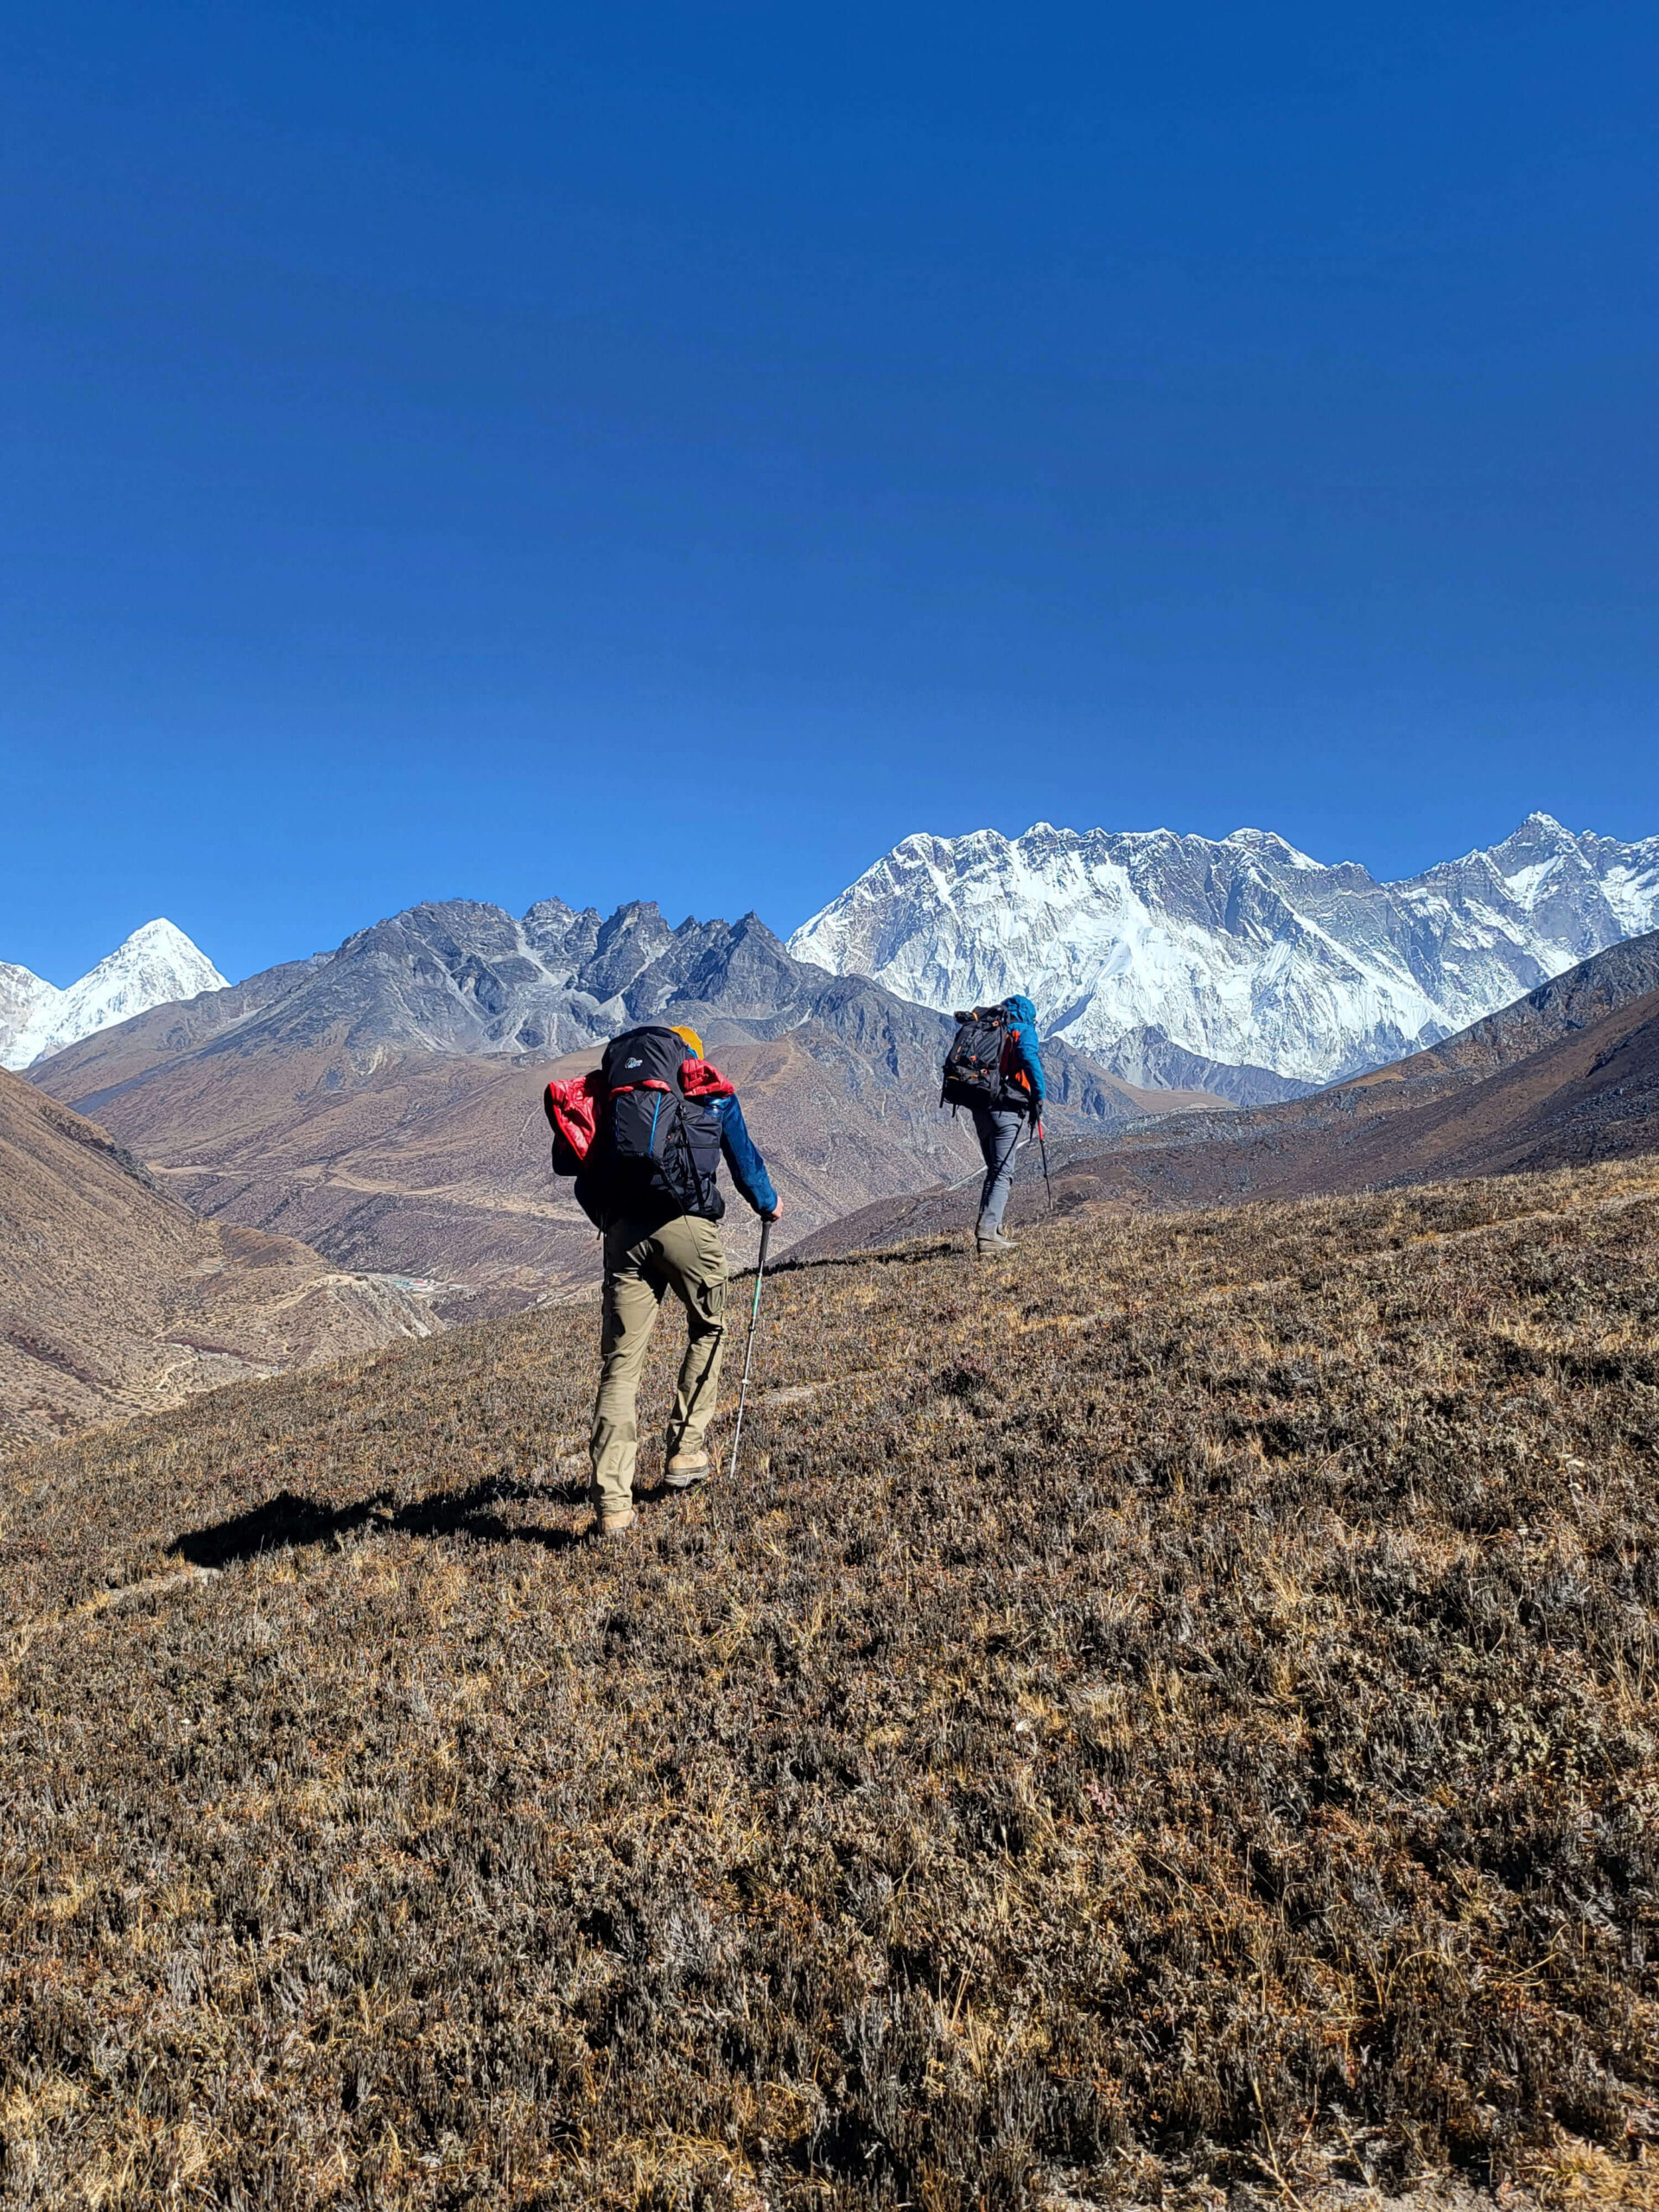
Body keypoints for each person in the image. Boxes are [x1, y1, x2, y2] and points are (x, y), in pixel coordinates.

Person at [575, 1023, 779, 1539]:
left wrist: (611, 1221)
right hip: (688, 1226)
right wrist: (767, 1203)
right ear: (689, 1058)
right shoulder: (707, 1092)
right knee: (708, 1328)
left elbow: (585, 1167)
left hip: (624, 1234)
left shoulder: (618, 1098)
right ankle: (686, 1450)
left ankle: (613, 1506)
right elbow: (743, 1159)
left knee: (620, 1367)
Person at [971, 994, 1045, 1258]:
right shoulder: (1022, 1031)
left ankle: (992, 1230)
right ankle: (989, 1235)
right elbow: (1028, 1057)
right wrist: (1040, 1094)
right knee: (1003, 1173)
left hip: (980, 1108)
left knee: (994, 1170)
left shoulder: (992, 1029)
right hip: (1007, 1109)